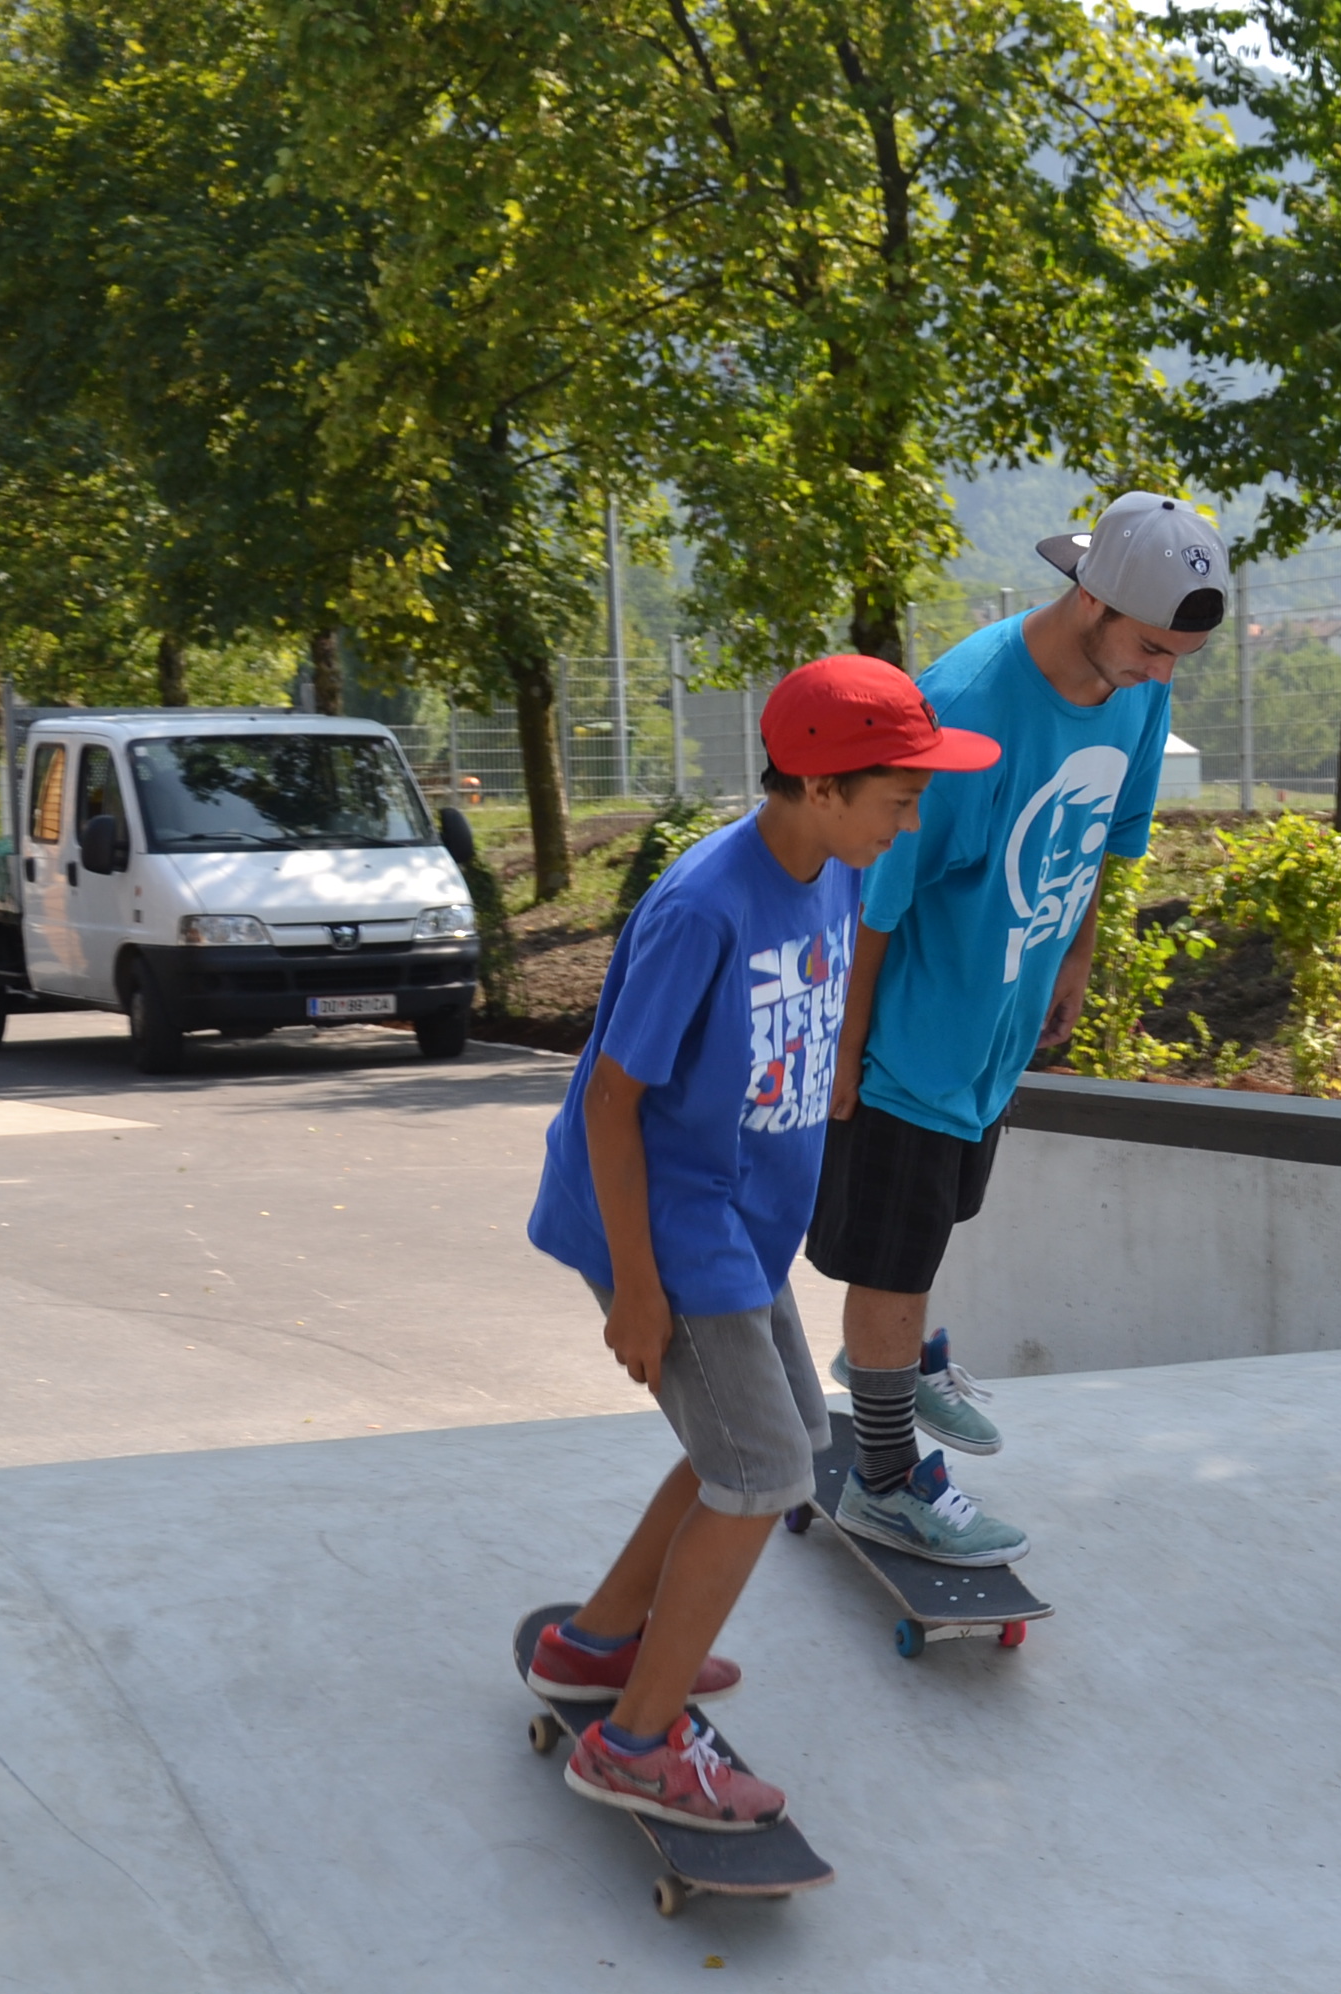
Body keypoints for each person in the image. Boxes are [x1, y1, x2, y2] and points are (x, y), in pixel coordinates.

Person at [521, 659, 991, 1830]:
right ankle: (635, 1746)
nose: (909, 822)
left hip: (737, 1219)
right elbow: (611, 1102)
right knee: (763, 1474)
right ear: (822, 786)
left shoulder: (835, 868)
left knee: (756, 1443)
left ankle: (596, 1645)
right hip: (669, 1226)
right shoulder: (704, 906)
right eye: (899, 799)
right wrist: (637, 1288)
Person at [808, 489, 1224, 1566]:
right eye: (1151, 648)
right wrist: (845, 1054)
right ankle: (883, 1482)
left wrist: (1075, 958)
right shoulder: (963, 713)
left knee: (928, 1228)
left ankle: (887, 1362)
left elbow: (1108, 834)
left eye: (1178, 657)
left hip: (994, 1026)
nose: (1161, 673)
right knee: (891, 1257)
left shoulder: (1134, 691)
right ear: (1091, 598)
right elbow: (875, 902)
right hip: (912, 1038)